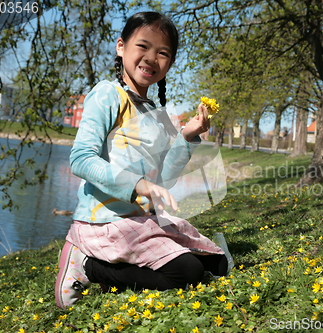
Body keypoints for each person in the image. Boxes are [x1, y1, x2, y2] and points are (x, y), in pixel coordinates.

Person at [55, 11, 229, 310]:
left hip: (140, 221)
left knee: (218, 263)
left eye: (162, 53)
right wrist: (138, 185)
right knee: (188, 273)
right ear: (121, 46)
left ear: (169, 64)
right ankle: (87, 264)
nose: (151, 58)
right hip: (105, 223)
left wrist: (187, 136)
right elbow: (81, 160)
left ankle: (118, 275)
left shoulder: (157, 114)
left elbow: (163, 179)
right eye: (143, 46)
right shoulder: (107, 95)